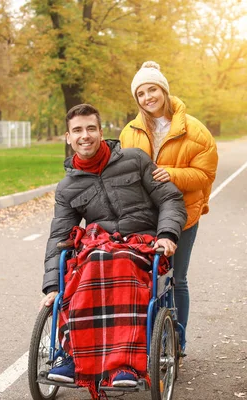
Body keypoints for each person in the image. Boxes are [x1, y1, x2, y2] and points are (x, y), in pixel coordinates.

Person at [40, 103, 187, 388]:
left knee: (118, 262)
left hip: (143, 244)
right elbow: (59, 236)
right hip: (101, 247)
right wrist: (51, 286)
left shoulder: (135, 160)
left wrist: (167, 234)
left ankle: (125, 364)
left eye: (91, 128)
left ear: (100, 131)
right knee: (79, 271)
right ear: (68, 137)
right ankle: (75, 357)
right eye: (78, 130)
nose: (85, 135)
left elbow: (171, 199)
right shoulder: (67, 187)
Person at [120, 61, 218, 347]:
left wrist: (171, 175)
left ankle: (178, 341)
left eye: (153, 89)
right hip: (146, 216)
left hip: (183, 214)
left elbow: (205, 175)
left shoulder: (195, 131)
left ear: (163, 90)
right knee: (147, 277)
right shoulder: (131, 131)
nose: (148, 97)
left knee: (176, 278)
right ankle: (150, 340)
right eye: (141, 93)